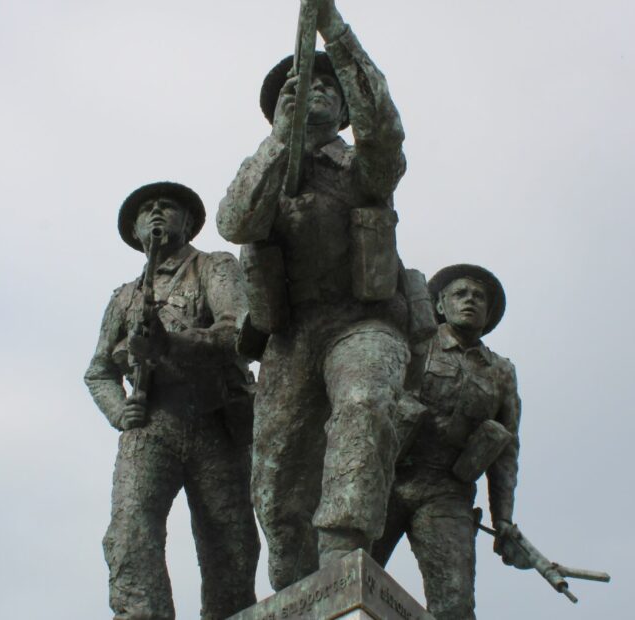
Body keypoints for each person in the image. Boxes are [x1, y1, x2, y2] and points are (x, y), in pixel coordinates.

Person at [217, 0, 411, 590]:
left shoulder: (364, 166)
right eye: (301, 88)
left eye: (330, 87)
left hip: (361, 324)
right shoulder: (265, 168)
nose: (315, 91)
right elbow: (236, 223)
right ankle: (297, 585)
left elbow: (385, 127)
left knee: (364, 404)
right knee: (275, 491)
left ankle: (345, 552)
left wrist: (335, 31)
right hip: (291, 336)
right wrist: (281, 141)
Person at [84, 182, 259, 620]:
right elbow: (99, 371)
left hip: (215, 423)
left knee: (230, 544)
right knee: (129, 532)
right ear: (135, 229)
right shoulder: (124, 297)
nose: (157, 213)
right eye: (147, 210)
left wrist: (169, 344)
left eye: (167, 207)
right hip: (151, 426)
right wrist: (119, 411)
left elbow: (235, 332)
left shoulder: (214, 267)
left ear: (188, 221)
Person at [371, 264, 529, 620]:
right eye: (461, 294)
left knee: (455, 605)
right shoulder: (416, 341)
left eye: (479, 298)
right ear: (440, 305)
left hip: (447, 492)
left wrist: (503, 519)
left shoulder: (501, 372)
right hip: (387, 476)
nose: (470, 301)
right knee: (345, 574)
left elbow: (506, 451)